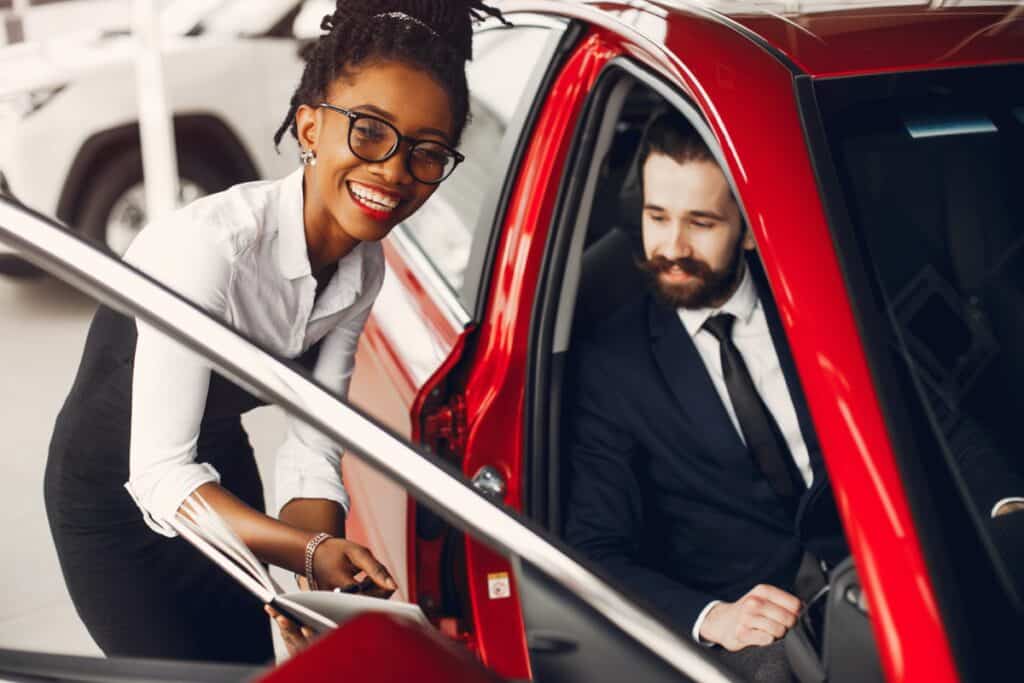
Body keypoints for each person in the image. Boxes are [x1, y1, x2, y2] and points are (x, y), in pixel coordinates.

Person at [43, 0, 505, 665]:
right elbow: (159, 477)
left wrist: (312, 588)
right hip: (117, 498)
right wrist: (305, 549)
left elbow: (314, 444)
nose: (396, 172)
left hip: (219, 475)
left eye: (427, 153)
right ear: (311, 126)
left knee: (252, 662)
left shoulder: (362, 267)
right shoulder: (210, 249)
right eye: (371, 132)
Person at [563, 110, 1024, 681]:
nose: (671, 245)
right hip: (754, 638)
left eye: (701, 223)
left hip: (895, 586)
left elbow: (941, 424)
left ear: (752, 229)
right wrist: (711, 618)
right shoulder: (611, 365)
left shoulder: (827, 302)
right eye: (657, 217)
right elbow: (594, 545)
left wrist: (1007, 511)